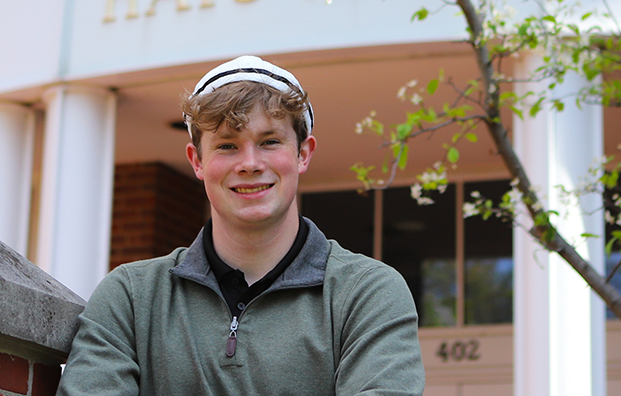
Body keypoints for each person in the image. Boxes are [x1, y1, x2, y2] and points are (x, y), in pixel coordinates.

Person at [57, 55, 425, 395]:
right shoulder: (131, 298)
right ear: (197, 161)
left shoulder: (367, 294)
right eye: (227, 146)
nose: (249, 163)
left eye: (269, 141)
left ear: (303, 153)